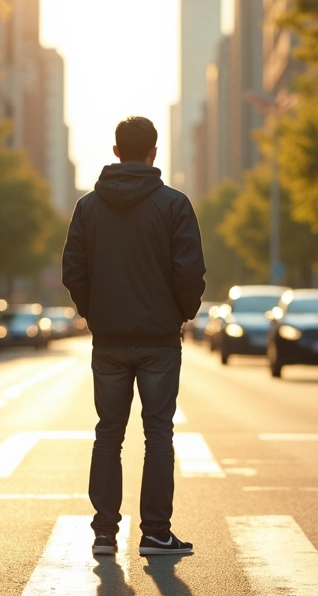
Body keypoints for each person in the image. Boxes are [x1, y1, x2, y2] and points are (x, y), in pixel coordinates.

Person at [62, 116, 206, 557]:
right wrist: (181, 314)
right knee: (158, 434)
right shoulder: (174, 204)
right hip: (160, 341)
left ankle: (105, 533)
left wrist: (95, 314)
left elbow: (74, 272)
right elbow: (190, 272)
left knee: (109, 432)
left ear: (115, 151)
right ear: (154, 153)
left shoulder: (88, 207)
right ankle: (156, 534)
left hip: (108, 341)